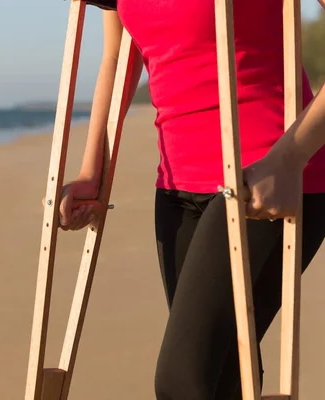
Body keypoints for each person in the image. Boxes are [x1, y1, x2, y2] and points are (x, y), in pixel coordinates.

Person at [52, 1, 325, 399]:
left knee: (184, 381)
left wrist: (289, 158)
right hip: (176, 188)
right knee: (224, 376)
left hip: (264, 182)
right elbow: (118, 55)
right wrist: (93, 171)